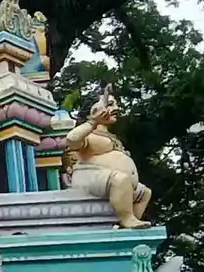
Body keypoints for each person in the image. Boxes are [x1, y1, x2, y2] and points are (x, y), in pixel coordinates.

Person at [63, 91, 152, 228]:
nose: (116, 108)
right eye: (109, 105)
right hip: (89, 176)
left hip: (116, 183)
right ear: (92, 111)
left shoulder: (109, 135)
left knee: (145, 192)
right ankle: (127, 218)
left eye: (115, 104)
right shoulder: (89, 134)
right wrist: (93, 121)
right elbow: (71, 139)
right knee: (120, 179)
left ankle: (127, 223)